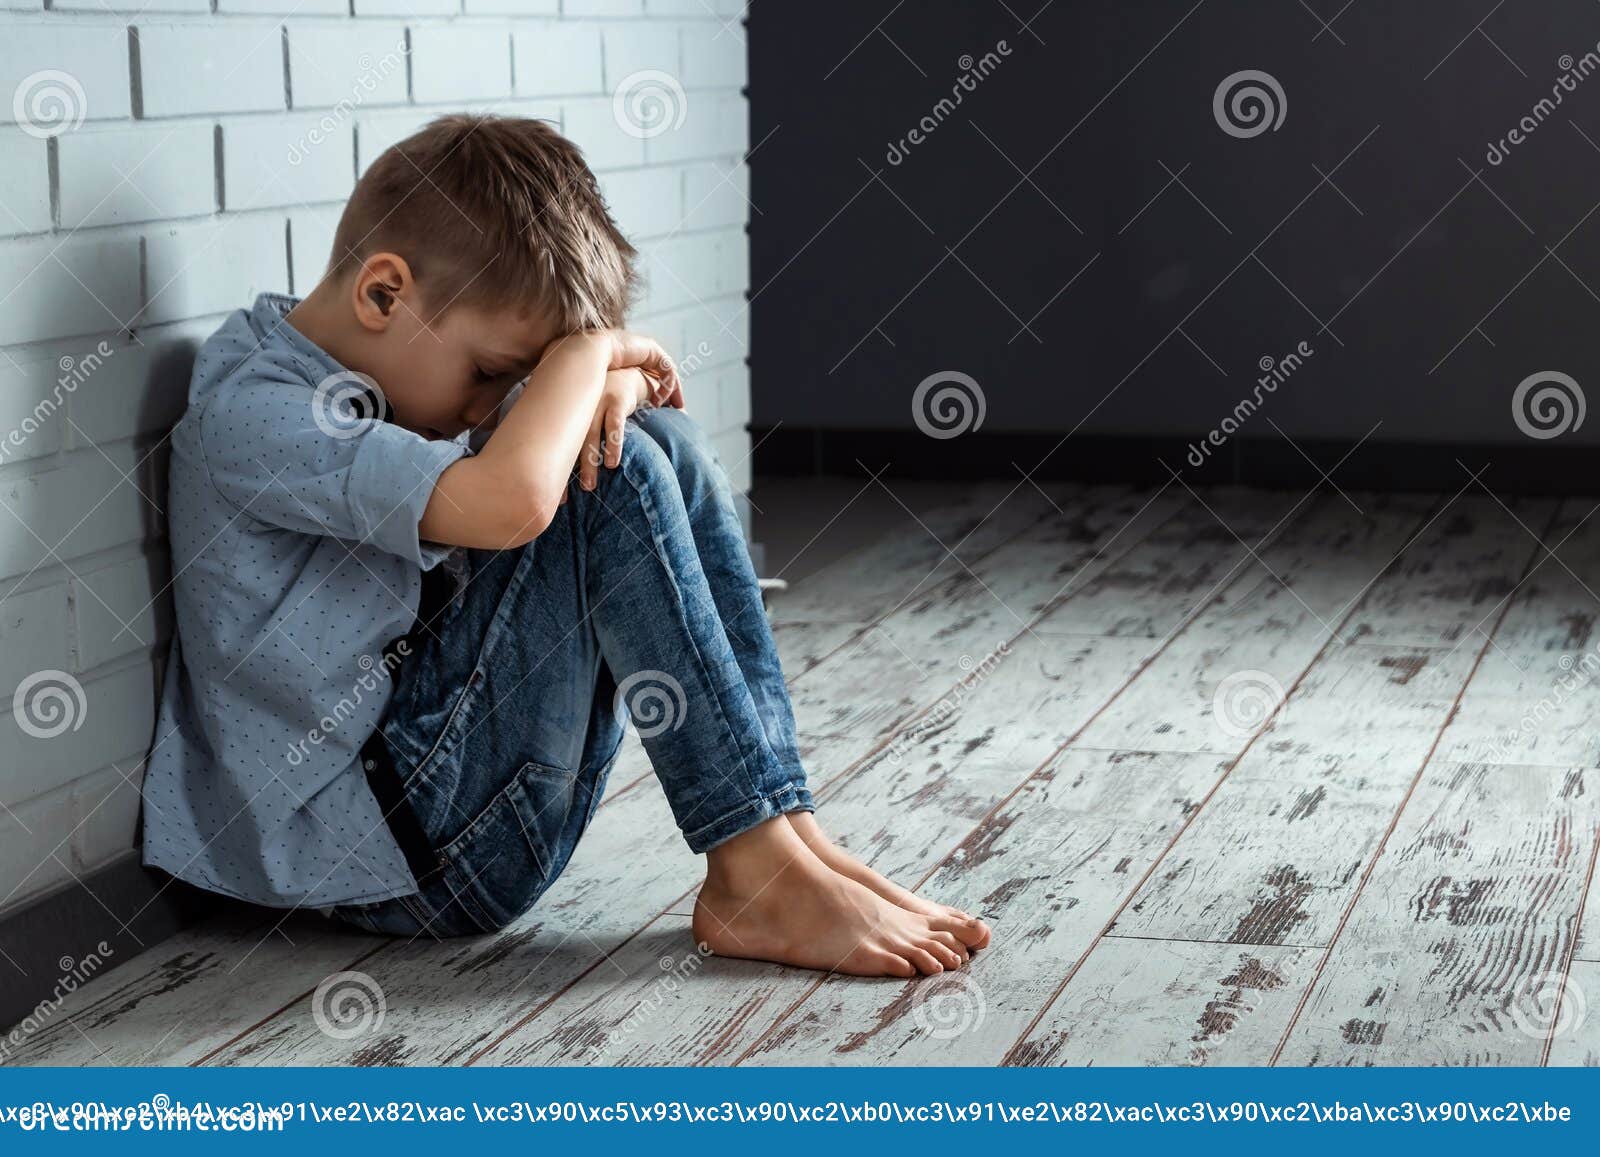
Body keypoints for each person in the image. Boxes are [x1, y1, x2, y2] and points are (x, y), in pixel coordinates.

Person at [141, 115, 990, 977]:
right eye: (491, 372)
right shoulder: (257, 412)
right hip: (390, 857)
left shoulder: (382, 363)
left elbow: (524, 448)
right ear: (384, 295)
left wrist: (599, 380)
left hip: (449, 792)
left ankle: (785, 833)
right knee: (605, 476)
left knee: (655, 442)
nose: (490, 406)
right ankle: (755, 865)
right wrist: (594, 353)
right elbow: (511, 500)